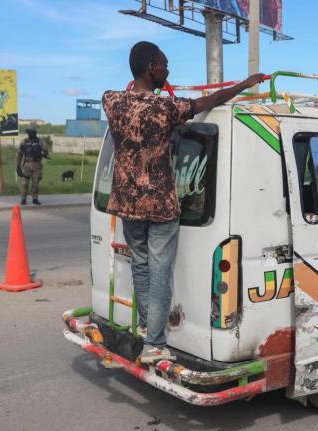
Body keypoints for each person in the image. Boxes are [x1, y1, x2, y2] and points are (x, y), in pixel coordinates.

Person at [102, 41, 264, 364]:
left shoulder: (111, 101)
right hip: (160, 205)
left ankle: (149, 325)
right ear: (151, 68)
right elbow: (211, 100)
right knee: (160, 272)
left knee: (140, 264)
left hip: (127, 204)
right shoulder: (164, 110)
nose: (167, 70)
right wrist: (244, 85)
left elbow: (127, 100)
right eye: (164, 65)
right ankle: (155, 345)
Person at [16, 127, 49, 205]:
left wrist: (40, 153)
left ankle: (35, 198)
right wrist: (18, 166)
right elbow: (19, 154)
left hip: (37, 165)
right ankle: (23, 199)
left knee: (35, 183)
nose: (30, 134)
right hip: (26, 165)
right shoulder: (24, 142)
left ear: (35, 133)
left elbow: (46, 152)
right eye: (28, 132)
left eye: (31, 132)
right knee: (24, 183)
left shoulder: (40, 142)